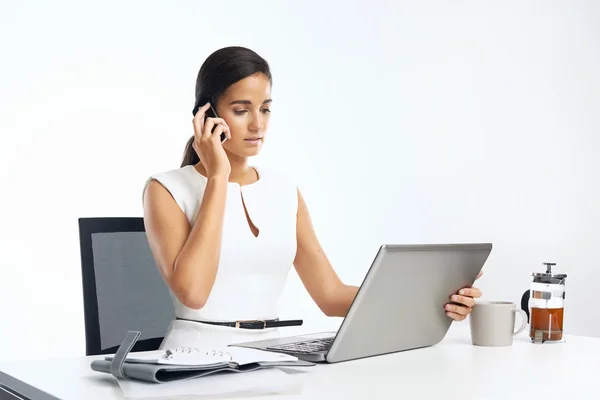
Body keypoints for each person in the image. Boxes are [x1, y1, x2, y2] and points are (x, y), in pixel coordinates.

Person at [142, 46, 483, 350]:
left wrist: (428, 297)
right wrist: (218, 176)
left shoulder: (283, 191)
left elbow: (331, 296)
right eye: (242, 110)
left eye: (265, 109)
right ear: (207, 115)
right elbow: (195, 293)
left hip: (269, 358)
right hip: (193, 362)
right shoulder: (166, 189)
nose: (257, 124)